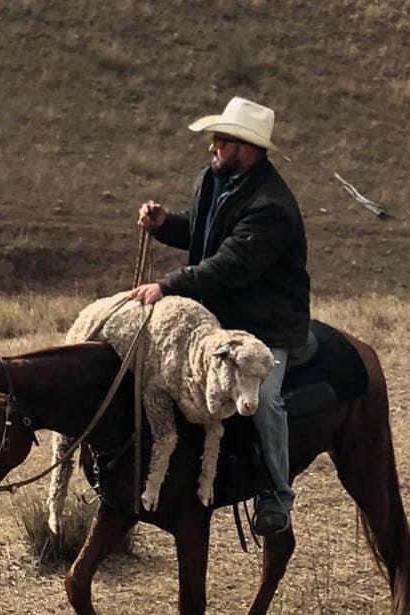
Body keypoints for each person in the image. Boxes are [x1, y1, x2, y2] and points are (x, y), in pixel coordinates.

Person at [132, 96, 310, 536]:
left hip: (268, 325)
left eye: (221, 140)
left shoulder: (272, 206)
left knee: (265, 398)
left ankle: (276, 493)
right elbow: (202, 232)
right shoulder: (214, 181)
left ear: (245, 148)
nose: (212, 146)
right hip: (221, 318)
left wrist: (168, 285)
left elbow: (231, 264)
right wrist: (165, 224)